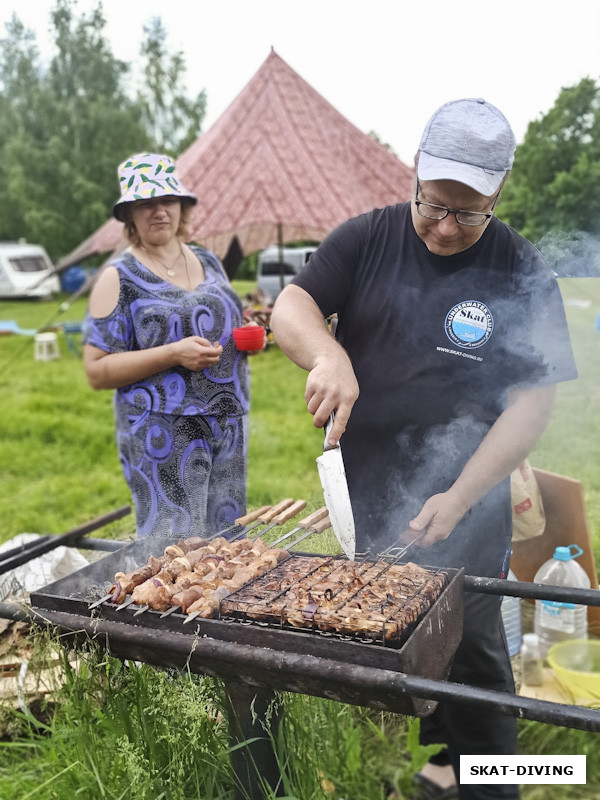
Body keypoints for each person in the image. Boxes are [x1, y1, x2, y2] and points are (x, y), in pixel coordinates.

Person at [270, 98, 577, 800]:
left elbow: (534, 402)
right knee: (392, 644)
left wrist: (462, 494)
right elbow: (292, 305)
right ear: (415, 173)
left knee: (475, 659)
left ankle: (493, 784)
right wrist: (328, 354)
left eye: (466, 214)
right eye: (431, 204)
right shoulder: (368, 237)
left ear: (498, 192)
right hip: (370, 494)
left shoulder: (522, 272)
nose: (442, 227)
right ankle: (433, 767)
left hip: (467, 504)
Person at [83, 152, 264, 538]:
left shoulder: (207, 260)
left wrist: (246, 334)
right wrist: (172, 353)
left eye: (167, 200)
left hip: (227, 421)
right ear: (130, 214)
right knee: (176, 555)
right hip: (162, 434)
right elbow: (96, 370)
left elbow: (224, 322)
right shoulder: (118, 277)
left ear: (182, 206)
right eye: (145, 203)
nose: (159, 210)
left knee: (228, 543)